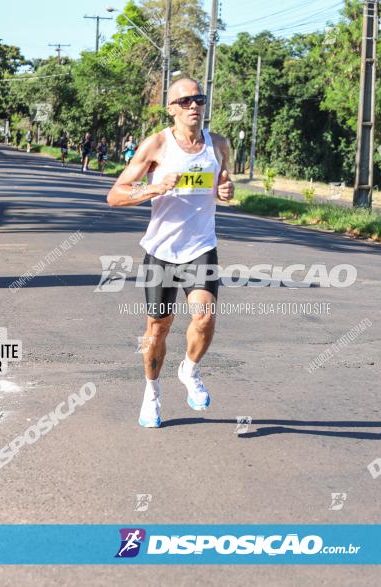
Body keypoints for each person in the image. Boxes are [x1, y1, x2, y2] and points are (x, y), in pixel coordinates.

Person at [106, 77, 234, 428]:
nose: (195, 105)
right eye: (186, 100)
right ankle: (151, 392)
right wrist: (153, 187)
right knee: (157, 328)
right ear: (172, 108)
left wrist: (226, 189)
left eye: (200, 99)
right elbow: (115, 195)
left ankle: (189, 370)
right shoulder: (157, 145)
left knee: (204, 317)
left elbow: (225, 186)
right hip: (161, 251)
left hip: (200, 247)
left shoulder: (218, 145)